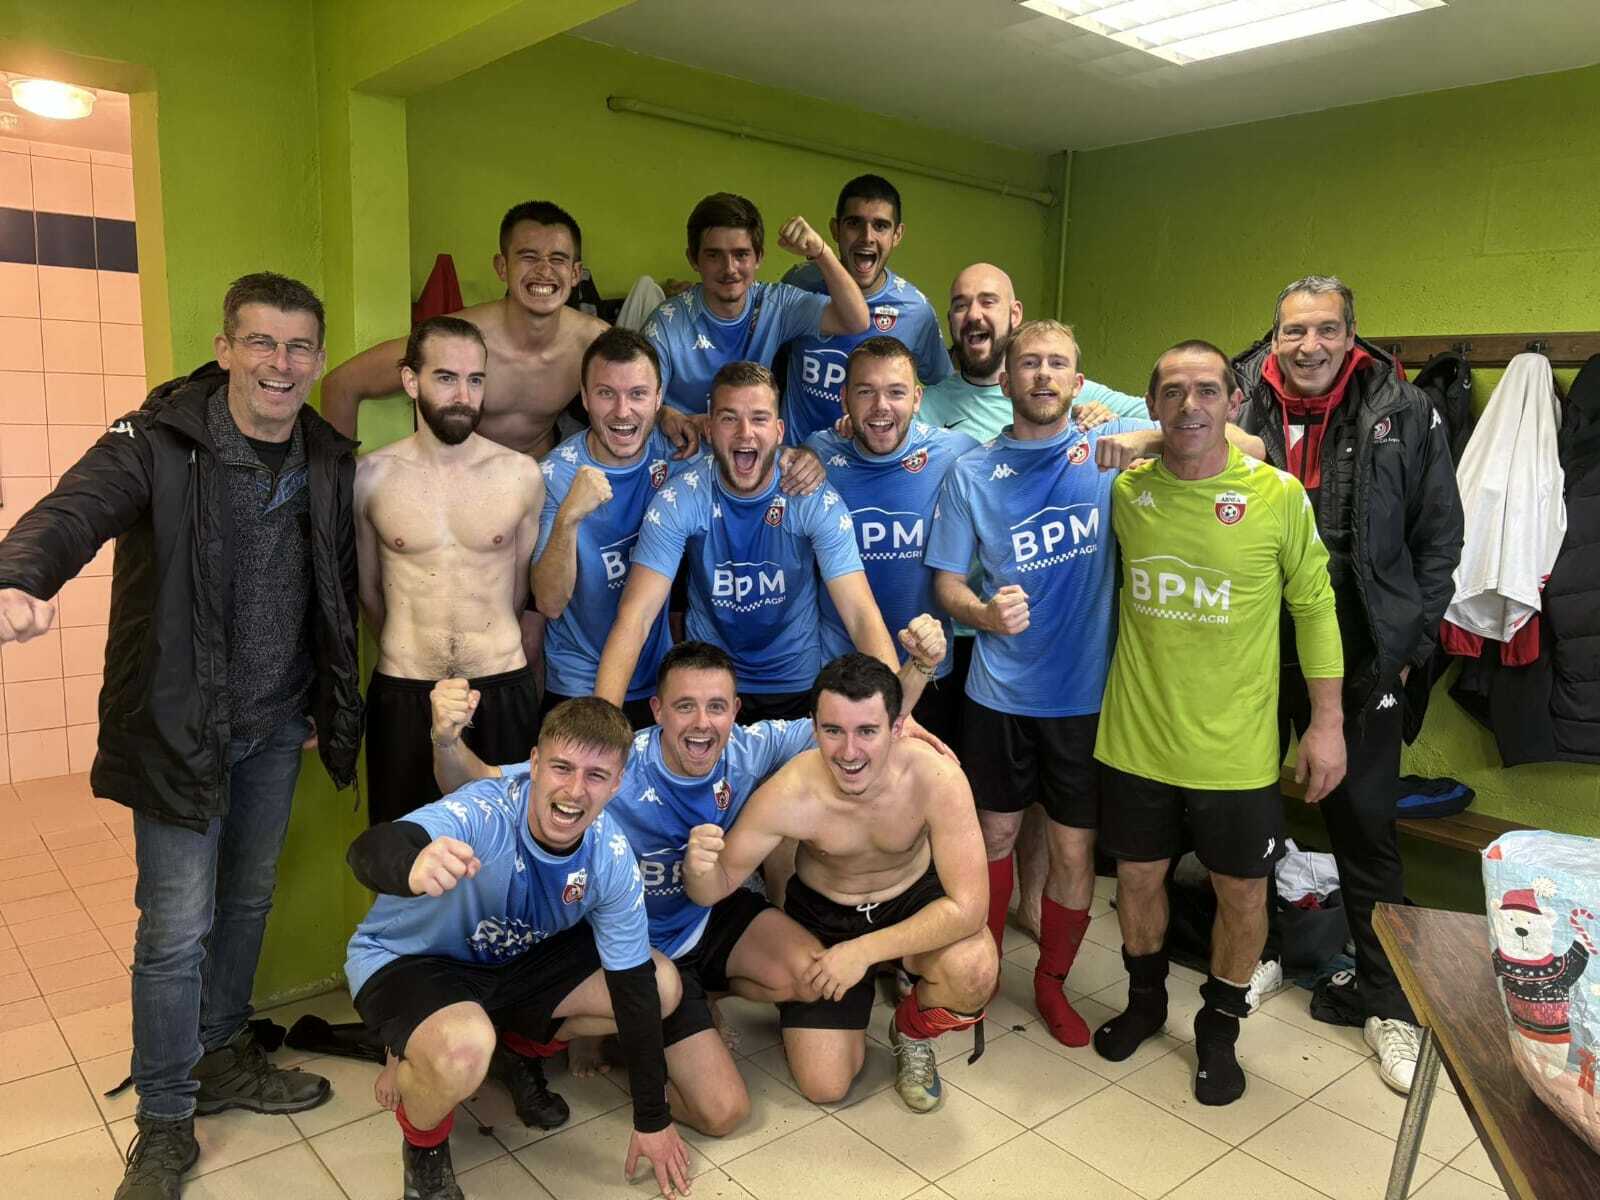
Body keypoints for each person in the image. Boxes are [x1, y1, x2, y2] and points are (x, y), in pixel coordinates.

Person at [0, 273, 364, 1200]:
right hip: (178, 728)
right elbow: (72, 510)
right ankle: (165, 1120)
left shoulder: (325, 454)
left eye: (298, 347)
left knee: (245, 903)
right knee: (173, 930)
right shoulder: (156, 441)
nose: (280, 363)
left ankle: (222, 1052)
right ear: (224, 347)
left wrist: (324, 696)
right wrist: (18, 575)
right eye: (261, 342)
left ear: (318, 359)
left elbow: (330, 585)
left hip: (276, 726)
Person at [1092, 339, 1347, 1106]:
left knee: (1242, 896)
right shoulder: (1125, 493)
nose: (1190, 405)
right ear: (1152, 403)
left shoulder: (1275, 496)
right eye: (1173, 392)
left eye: (1208, 390)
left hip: (1237, 754)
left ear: (1235, 403)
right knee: (1137, 880)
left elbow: (1316, 608)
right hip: (1135, 741)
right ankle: (1144, 1002)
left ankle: (1218, 1029)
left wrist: (1327, 723)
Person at [427, 642, 821, 1136]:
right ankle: (622, 1029)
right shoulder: (611, 765)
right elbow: (475, 784)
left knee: (811, 975)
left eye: (716, 706)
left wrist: (904, 704)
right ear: (657, 710)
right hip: (628, 945)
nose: (702, 723)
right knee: (722, 1114)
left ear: (735, 711)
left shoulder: (750, 747)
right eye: (684, 706)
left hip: (704, 911)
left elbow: (841, 729)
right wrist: (446, 740)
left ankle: (695, 1002)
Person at [1231, 276, 1464, 1093]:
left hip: (1365, 654)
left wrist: (1405, 650)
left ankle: (1387, 1000)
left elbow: (1440, 539)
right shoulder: (1236, 398)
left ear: (1351, 334)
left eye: (1326, 329)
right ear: (1274, 336)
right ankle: (1254, 955)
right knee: (1247, 813)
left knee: (1365, 825)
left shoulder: (1405, 410)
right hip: (1255, 649)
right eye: (1294, 331)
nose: (1309, 346)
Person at [344, 698, 693, 1200]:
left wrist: (652, 1119)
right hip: (411, 959)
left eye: (596, 775)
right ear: (534, 763)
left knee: (660, 984)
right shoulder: (485, 810)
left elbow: (633, 988)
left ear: (617, 785)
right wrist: (410, 866)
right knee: (463, 1049)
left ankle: (513, 1050)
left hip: (511, 962)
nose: (575, 790)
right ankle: (424, 1151)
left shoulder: (612, 855)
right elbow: (369, 849)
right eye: (562, 768)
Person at [925, 319, 1161, 1050]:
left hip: (1084, 699)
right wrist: (982, 614)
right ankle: (984, 970)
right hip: (997, 694)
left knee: (1072, 852)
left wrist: (1141, 436)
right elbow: (946, 584)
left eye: (1058, 364)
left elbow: (1226, 439)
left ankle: (1052, 984)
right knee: (992, 834)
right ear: (1006, 380)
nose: (1043, 375)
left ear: (1078, 382)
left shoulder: (1106, 449)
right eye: (1029, 363)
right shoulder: (972, 472)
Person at [684, 654, 997, 1113]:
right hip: (825, 915)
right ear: (814, 728)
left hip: (910, 897)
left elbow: (970, 908)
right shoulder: (790, 792)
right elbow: (713, 888)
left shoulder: (936, 777)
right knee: (825, 1085)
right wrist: (697, 869)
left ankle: (911, 1032)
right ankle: (815, 999)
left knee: (974, 968)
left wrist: (863, 952)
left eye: (867, 731)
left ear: (897, 728)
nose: (849, 753)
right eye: (833, 731)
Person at [595, 361, 937, 723]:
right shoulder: (680, 498)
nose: (745, 433)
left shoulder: (810, 496)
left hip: (796, 681)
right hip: (713, 682)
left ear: (778, 431)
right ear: (709, 429)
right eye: (729, 418)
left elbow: (860, 613)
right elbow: (635, 618)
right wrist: (600, 724)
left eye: (759, 419)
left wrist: (899, 718)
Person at [532, 328, 823, 729]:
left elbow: (744, 448)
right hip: (579, 680)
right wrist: (568, 518)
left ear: (658, 399)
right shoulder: (554, 474)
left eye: (637, 394)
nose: (622, 411)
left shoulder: (680, 450)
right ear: (584, 398)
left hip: (659, 681)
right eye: (606, 394)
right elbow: (549, 603)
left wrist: (800, 459)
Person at [353, 316, 545, 825]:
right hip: (405, 692)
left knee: (503, 848)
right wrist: (418, 654)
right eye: (445, 377)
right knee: (406, 850)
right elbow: (369, 592)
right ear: (410, 380)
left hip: (499, 688)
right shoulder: (370, 477)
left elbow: (519, 591)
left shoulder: (520, 475)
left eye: (475, 379)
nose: (463, 395)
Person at [806, 336, 978, 743]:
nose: (881, 406)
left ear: (917, 399)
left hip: (931, 669)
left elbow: (1024, 451)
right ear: (845, 398)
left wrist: (1097, 420)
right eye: (865, 392)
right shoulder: (817, 454)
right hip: (838, 675)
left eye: (896, 392)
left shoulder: (956, 453)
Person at [642, 192, 870, 417]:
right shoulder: (666, 323)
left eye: (741, 255)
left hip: (749, 439)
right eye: (714, 255)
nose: (729, 268)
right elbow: (638, 403)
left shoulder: (776, 304)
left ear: (759, 257)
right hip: (681, 441)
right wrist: (663, 416)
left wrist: (821, 253)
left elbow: (855, 321)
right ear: (693, 259)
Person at [778, 174, 951, 443]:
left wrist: (901, 427)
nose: (867, 237)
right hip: (795, 458)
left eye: (880, 226)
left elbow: (945, 388)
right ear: (835, 229)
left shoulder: (916, 310)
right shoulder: (800, 282)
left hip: (866, 464)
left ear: (897, 235)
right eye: (854, 223)